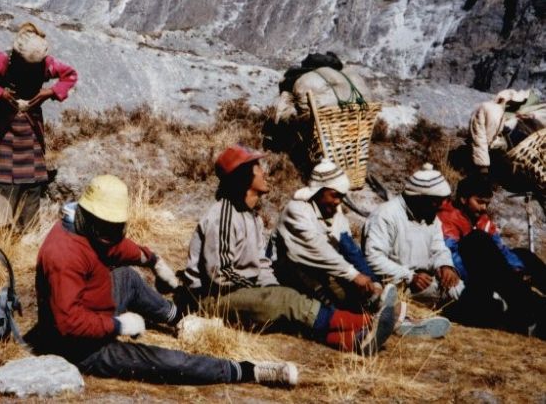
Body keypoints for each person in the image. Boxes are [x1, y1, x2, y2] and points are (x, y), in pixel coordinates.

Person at [32, 174, 299, 387]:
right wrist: (116, 325)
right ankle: (244, 371)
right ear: (90, 218)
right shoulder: (63, 254)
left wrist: (152, 259)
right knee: (165, 362)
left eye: (116, 227)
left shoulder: (92, 226)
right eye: (108, 228)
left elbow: (114, 246)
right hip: (80, 348)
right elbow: (68, 323)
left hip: (97, 307)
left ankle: (178, 318)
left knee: (127, 276)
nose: (112, 233)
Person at [182, 146, 398, 354]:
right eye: (258, 167)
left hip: (237, 292)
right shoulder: (224, 216)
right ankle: (367, 322)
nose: (264, 172)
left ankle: (355, 341)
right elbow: (220, 274)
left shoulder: (252, 217)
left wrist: (270, 287)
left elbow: (261, 263)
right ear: (244, 177)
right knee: (285, 300)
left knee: (287, 311)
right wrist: (266, 291)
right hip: (210, 299)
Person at [273, 160, 450, 337]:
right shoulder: (297, 210)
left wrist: (373, 281)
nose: (338, 202)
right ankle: (371, 325)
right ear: (318, 192)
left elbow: (349, 248)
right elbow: (317, 250)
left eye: (341, 197)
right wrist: (353, 275)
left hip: (322, 271)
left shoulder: (335, 214)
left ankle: (395, 320)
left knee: (354, 296)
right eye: (334, 195)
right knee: (327, 303)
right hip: (290, 271)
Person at [0, 22, 78, 229]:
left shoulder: (47, 64)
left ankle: (27, 227)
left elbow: (70, 75)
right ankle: (0, 228)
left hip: (30, 128)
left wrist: (49, 92)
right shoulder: (1, 61)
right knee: (1, 175)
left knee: (32, 177)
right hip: (3, 127)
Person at [438, 174, 546, 337]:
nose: (483, 208)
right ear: (463, 199)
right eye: (479, 202)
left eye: (486, 203)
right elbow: (451, 254)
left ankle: (524, 292)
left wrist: (517, 268)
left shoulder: (482, 219)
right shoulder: (449, 219)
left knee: (524, 255)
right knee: (477, 240)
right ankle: (528, 308)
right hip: (470, 271)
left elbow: (500, 249)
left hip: (492, 265)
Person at [362, 164, 462, 307]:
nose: (440, 207)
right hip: (397, 285)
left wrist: (445, 265)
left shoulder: (430, 216)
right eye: (436, 202)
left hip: (425, 280)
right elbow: (373, 258)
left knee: (460, 289)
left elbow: (438, 249)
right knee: (463, 299)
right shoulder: (386, 215)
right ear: (420, 198)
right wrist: (409, 277)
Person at [469, 89, 531, 174]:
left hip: (487, 147)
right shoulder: (490, 109)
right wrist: (483, 165)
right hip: (481, 150)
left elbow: (493, 132)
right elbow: (479, 137)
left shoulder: (498, 111)